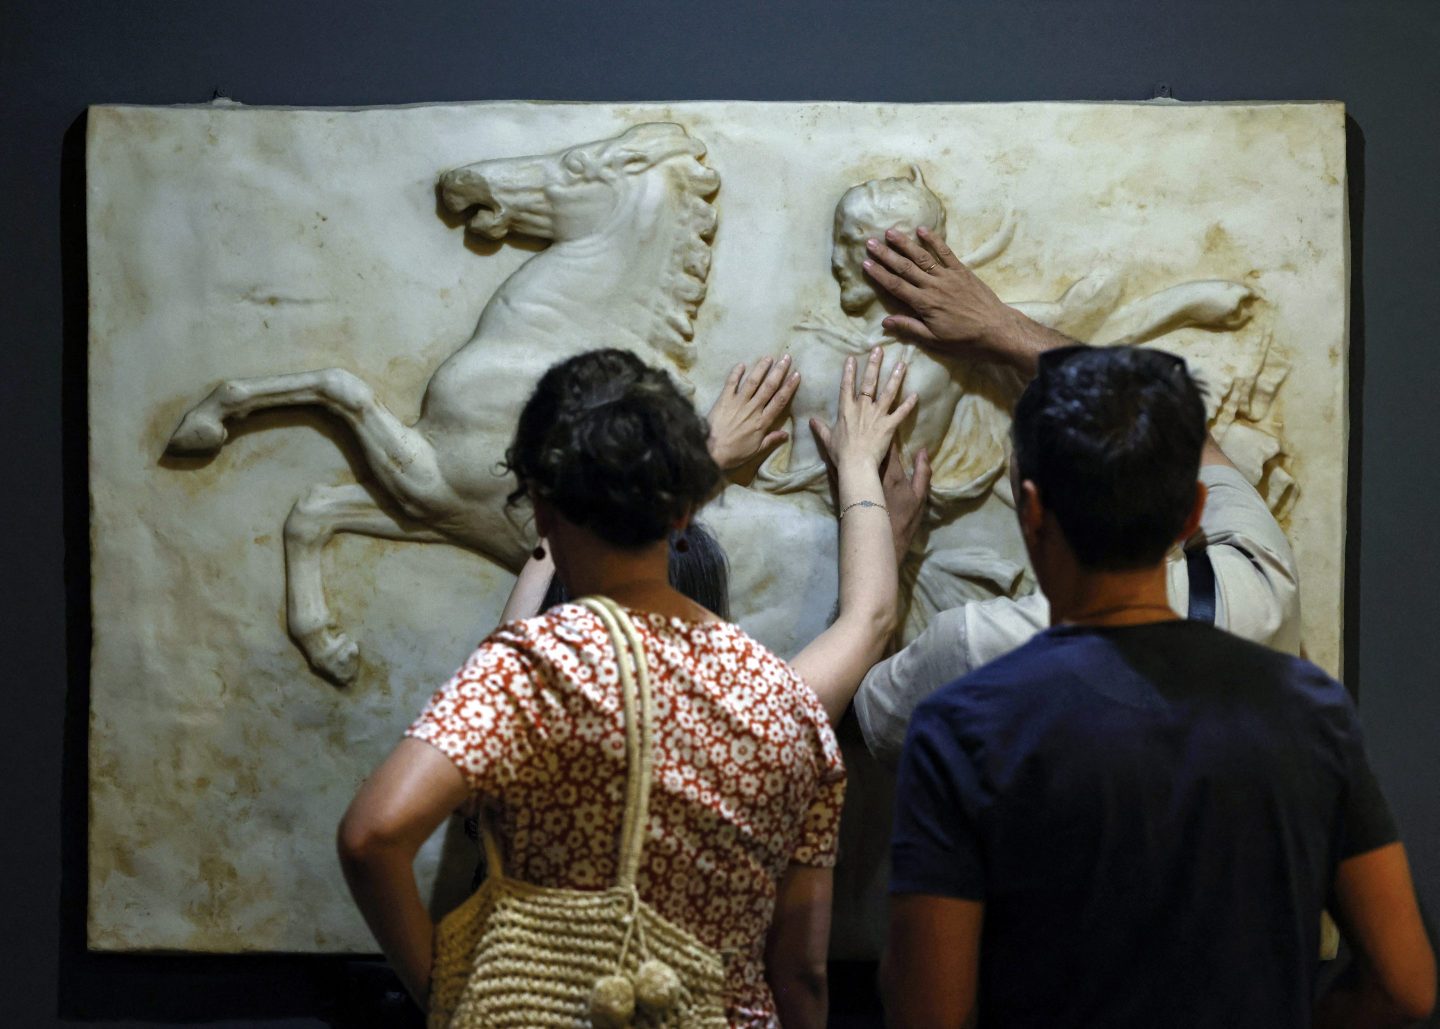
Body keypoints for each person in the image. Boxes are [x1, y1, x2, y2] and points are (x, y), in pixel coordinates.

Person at [337, 344, 917, 1028]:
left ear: (543, 511)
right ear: (682, 513)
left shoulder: (534, 669)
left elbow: (371, 836)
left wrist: (446, 994)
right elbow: (801, 973)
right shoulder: (785, 700)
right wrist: (857, 466)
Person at [881, 342, 1435, 1027]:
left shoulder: (962, 726)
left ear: (1030, 510)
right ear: (1194, 513)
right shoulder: (1312, 710)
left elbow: (927, 1013)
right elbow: (1407, 985)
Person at [854, 228, 1301, 768]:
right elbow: (1189, 436)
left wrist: (879, 539)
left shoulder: (980, 649)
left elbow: (840, 719)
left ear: (1032, 513)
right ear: (1192, 511)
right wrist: (1006, 327)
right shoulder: (1257, 591)